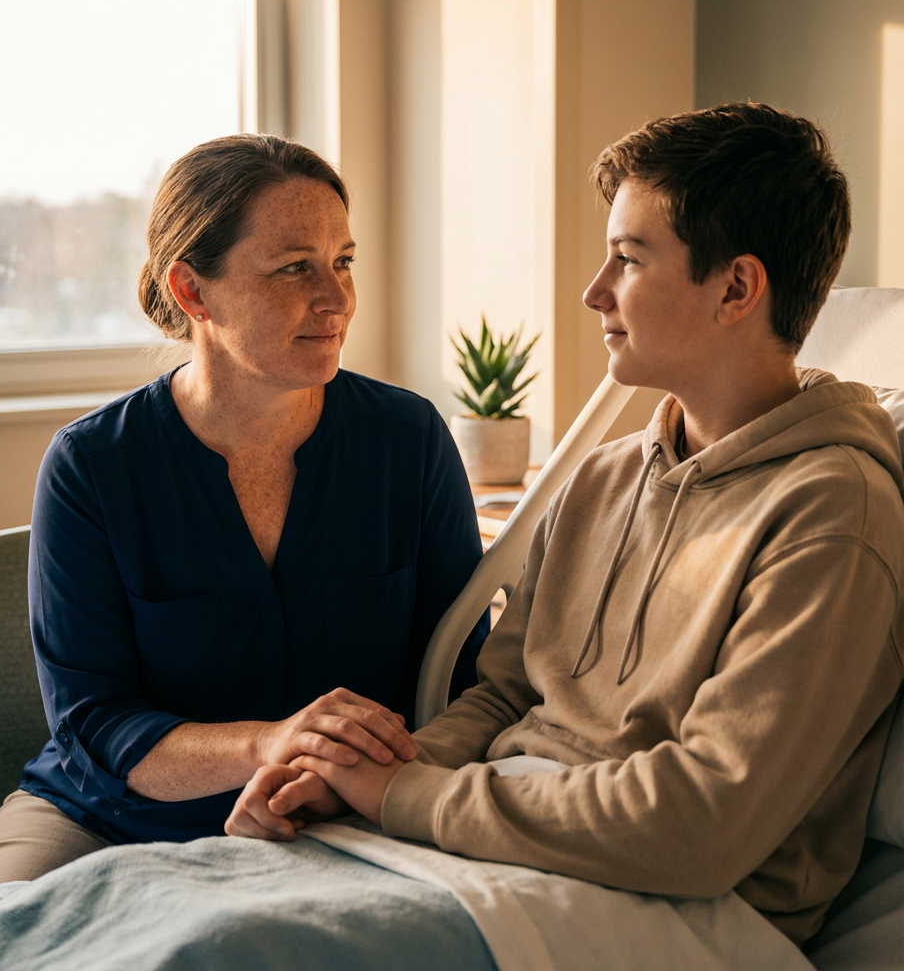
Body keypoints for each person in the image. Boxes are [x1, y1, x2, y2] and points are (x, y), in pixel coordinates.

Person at [228, 103, 904, 945]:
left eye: (627, 258)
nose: (594, 292)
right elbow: (505, 691)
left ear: (736, 287)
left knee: (229, 949)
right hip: (496, 847)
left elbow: (703, 826)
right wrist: (364, 775)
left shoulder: (833, 514)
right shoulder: (601, 478)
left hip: (681, 912)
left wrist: (405, 798)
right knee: (152, 912)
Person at [0, 135, 486, 888]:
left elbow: (463, 680)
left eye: (343, 261)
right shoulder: (92, 467)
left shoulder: (407, 442)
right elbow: (96, 724)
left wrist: (329, 780)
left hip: (343, 809)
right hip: (107, 817)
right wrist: (267, 744)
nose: (337, 298)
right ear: (193, 292)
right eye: (294, 268)